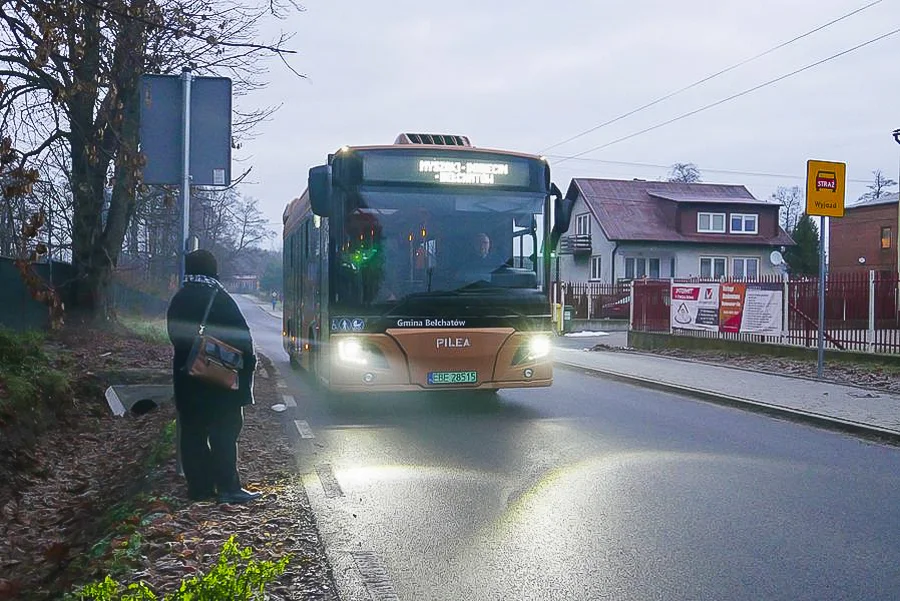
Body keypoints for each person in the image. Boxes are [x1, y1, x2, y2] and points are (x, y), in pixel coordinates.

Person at [166, 250, 261, 504]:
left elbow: (174, 337)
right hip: (220, 383)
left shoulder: (180, 298)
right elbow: (242, 338)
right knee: (224, 434)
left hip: (187, 379)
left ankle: (199, 489)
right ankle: (228, 488)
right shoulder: (219, 298)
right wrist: (248, 367)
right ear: (213, 270)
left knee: (192, 434)